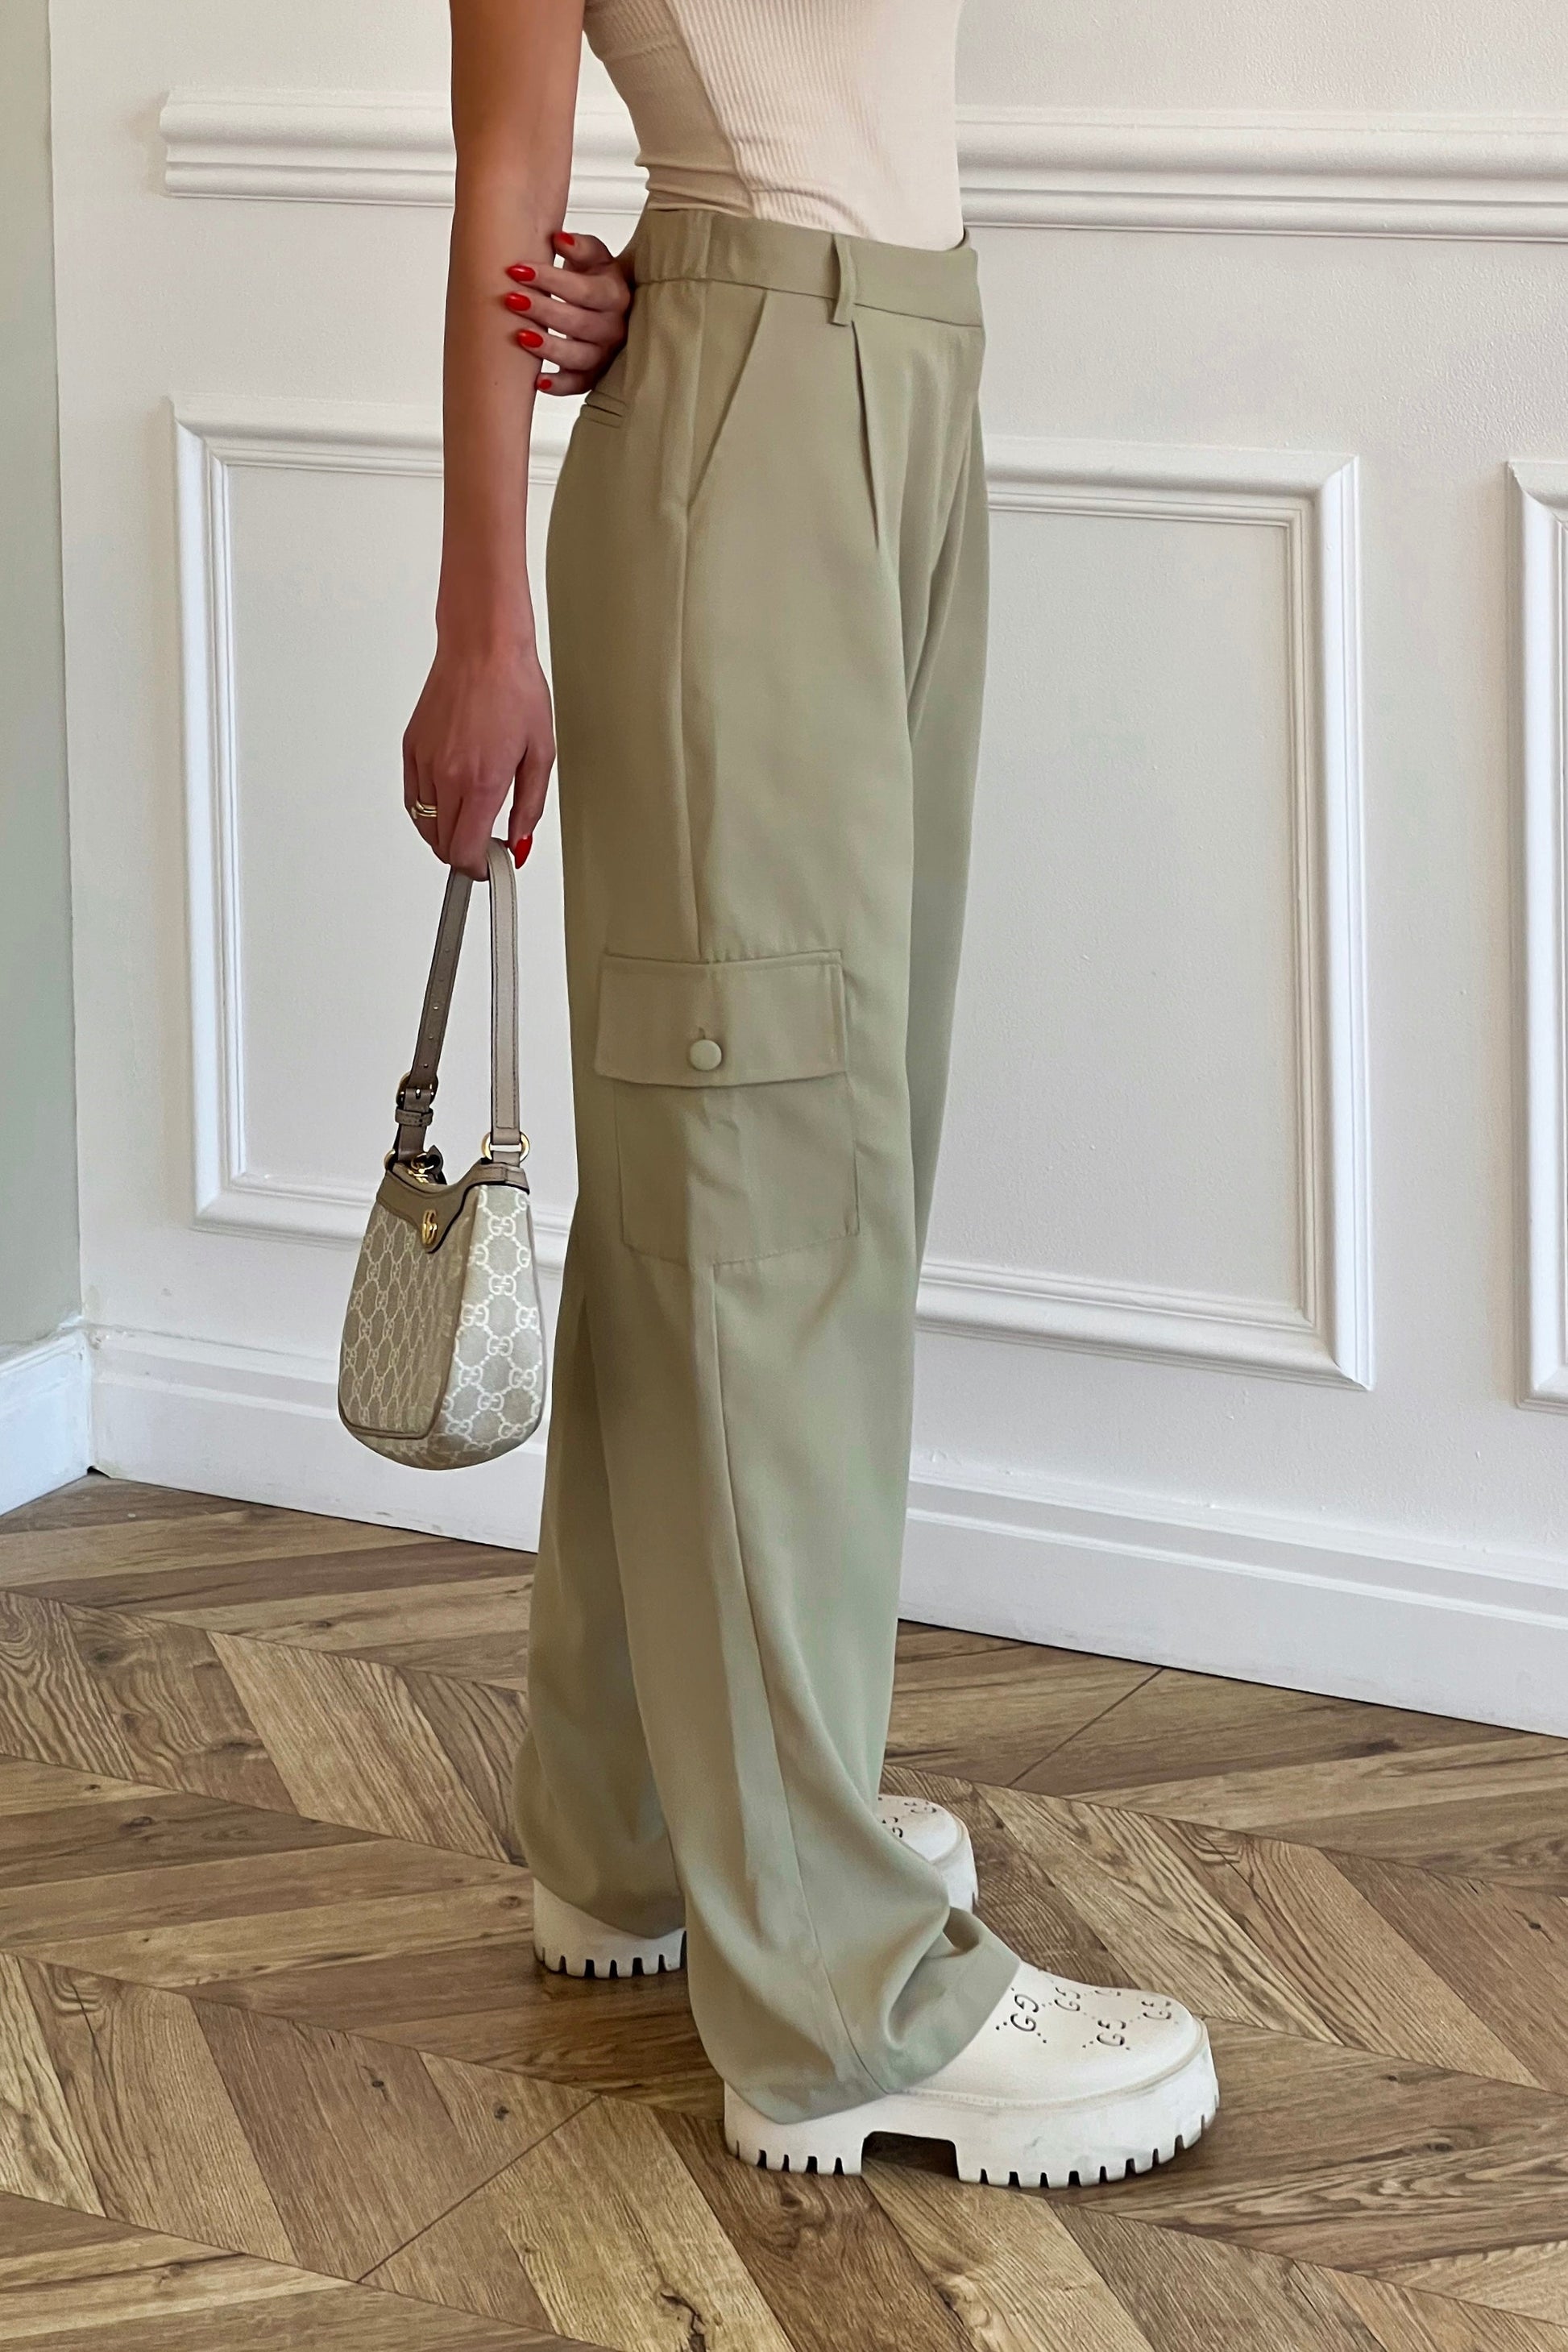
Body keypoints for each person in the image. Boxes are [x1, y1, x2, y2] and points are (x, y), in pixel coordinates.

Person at [401, 0, 1219, 2188]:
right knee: (770, 1178)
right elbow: (502, 176)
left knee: (782, 1154)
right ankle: (838, 2003)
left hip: (905, 375)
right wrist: (484, 626)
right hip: (756, 423)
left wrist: (677, 264)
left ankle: (642, 1824)